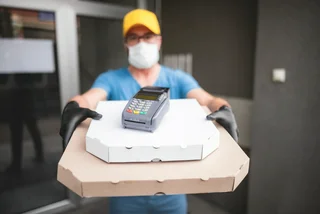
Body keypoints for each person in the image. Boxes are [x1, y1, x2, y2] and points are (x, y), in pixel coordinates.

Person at [59, 9, 239, 214]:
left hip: (172, 190)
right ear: (126, 45)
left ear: (159, 41)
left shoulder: (177, 79)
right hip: (124, 190)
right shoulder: (111, 79)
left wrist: (224, 108)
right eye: (133, 38)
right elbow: (88, 98)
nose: (141, 43)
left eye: (147, 36)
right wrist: (73, 106)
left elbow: (208, 99)